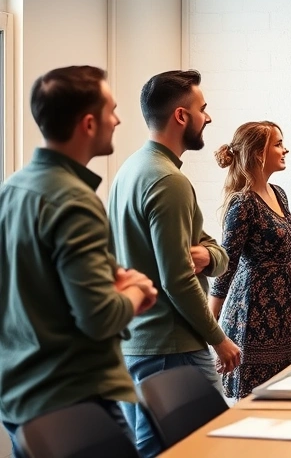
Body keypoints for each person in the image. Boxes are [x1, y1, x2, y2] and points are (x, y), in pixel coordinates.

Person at [0, 66, 158, 457]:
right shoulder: (73, 201)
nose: (119, 119)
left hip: (21, 396)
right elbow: (100, 316)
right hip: (75, 399)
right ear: (89, 123)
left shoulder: (10, 191)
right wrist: (137, 292)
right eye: (112, 110)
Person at [107, 69, 240, 458]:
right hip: (171, 344)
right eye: (203, 109)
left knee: (152, 446)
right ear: (181, 116)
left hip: (136, 342)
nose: (209, 118)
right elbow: (178, 279)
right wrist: (220, 339)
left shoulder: (130, 171)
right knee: (200, 447)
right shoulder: (168, 181)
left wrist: (211, 255)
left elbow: (209, 249)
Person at [209, 122, 291, 399]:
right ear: (259, 153)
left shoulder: (279, 193)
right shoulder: (243, 202)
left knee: (283, 399)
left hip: (284, 317)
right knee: (255, 402)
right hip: (252, 316)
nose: (285, 149)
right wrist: (210, 324)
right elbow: (226, 264)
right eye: (278, 143)